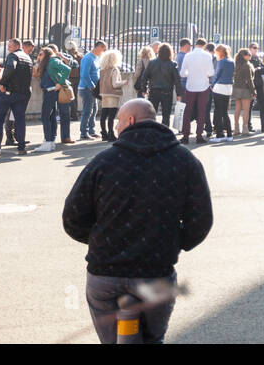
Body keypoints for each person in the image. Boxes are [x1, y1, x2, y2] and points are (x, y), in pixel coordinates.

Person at [62, 98, 213, 344]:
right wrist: (175, 242)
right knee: (153, 340)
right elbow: (201, 219)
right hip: (156, 273)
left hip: (105, 274)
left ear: (130, 121)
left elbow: (72, 217)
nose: (116, 127)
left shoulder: (103, 162)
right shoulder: (185, 160)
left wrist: (100, 239)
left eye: (119, 122)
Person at [0, 39, 33, 155]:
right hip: (23, 94)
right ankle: (21, 147)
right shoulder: (27, 58)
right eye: (8, 46)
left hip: (9, 93)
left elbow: (11, 67)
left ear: (17, 46)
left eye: (10, 46)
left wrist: (3, 83)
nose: (8, 48)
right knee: (20, 120)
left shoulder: (13, 56)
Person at [36, 45, 74, 149]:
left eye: (41, 54)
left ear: (47, 54)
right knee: (50, 116)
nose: (38, 56)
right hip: (48, 91)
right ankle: (50, 141)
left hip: (52, 91)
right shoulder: (46, 63)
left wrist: (60, 83)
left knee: (45, 116)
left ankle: (48, 142)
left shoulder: (52, 61)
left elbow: (67, 68)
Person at [141, 43, 181, 130]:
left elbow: (144, 77)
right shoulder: (173, 64)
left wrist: (144, 89)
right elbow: (177, 81)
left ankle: (151, 131)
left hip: (154, 91)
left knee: (152, 113)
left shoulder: (152, 63)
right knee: (166, 115)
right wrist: (179, 94)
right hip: (167, 92)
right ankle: (164, 133)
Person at [95, 49, 128, 142]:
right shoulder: (114, 70)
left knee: (104, 115)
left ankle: (104, 133)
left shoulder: (103, 70)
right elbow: (115, 84)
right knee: (111, 116)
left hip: (104, 94)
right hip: (112, 94)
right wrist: (124, 82)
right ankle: (111, 134)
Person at [78, 41, 106, 140]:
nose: (103, 52)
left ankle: (91, 130)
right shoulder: (88, 58)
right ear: (99, 47)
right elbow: (84, 74)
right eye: (103, 49)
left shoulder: (95, 58)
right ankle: (84, 132)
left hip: (92, 89)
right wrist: (92, 86)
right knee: (88, 110)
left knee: (94, 109)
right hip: (87, 88)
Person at [210, 44, 235, 139]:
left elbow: (217, 74)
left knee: (218, 112)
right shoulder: (232, 61)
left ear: (220, 52)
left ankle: (219, 135)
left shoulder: (221, 61)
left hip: (219, 88)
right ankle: (229, 135)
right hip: (228, 88)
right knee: (225, 112)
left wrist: (212, 85)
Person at [232, 48, 254, 136]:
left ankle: (236, 128)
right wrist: (253, 91)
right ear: (244, 56)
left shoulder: (236, 64)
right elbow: (250, 80)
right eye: (248, 54)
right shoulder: (247, 65)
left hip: (236, 88)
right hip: (245, 89)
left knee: (237, 109)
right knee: (246, 110)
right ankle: (245, 129)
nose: (250, 56)